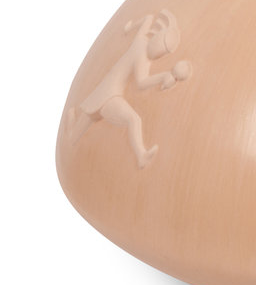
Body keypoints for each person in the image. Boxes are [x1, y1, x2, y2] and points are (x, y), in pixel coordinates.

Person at [66, 10, 187, 168]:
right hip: (110, 95)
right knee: (133, 119)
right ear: (157, 36)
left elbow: (148, 18)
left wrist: (131, 26)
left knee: (76, 134)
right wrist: (162, 76)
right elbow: (141, 82)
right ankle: (141, 156)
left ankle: (70, 123)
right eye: (159, 46)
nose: (157, 52)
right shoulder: (142, 54)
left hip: (104, 90)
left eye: (161, 53)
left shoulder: (140, 41)